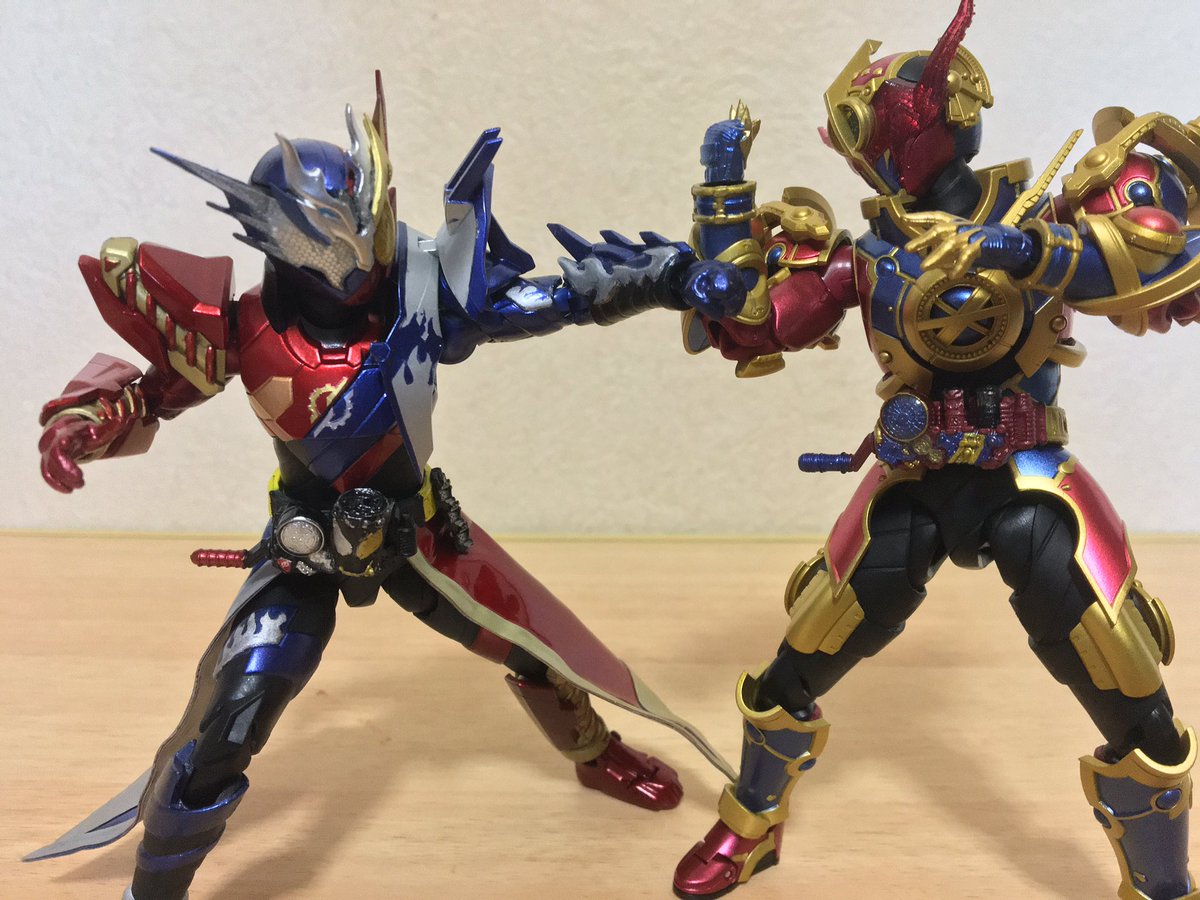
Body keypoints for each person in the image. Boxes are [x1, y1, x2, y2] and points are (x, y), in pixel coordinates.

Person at [29, 76, 743, 900]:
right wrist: (80, 425)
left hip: (419, 534)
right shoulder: (241, 327)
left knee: (536, 644)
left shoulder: (419, 301)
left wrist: (662, 278)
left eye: (367, 233)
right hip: (304, 553)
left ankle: (592, 751)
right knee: (231, 719)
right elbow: (149, 393)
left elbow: (554, 299)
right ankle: (153, 890)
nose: (364, 260)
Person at [673, 3, 1200, 897]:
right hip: (914, 483)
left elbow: (1148, 260)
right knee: (803, 652)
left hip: (1029, 484)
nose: (861, 151)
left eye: (869, 129)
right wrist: (721, 204)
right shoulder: (867, 253)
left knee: (1128, 680)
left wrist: (1029, 249)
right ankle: (750, 823)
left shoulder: (1044, 220)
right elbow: (756, 324)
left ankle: (1163, 884)